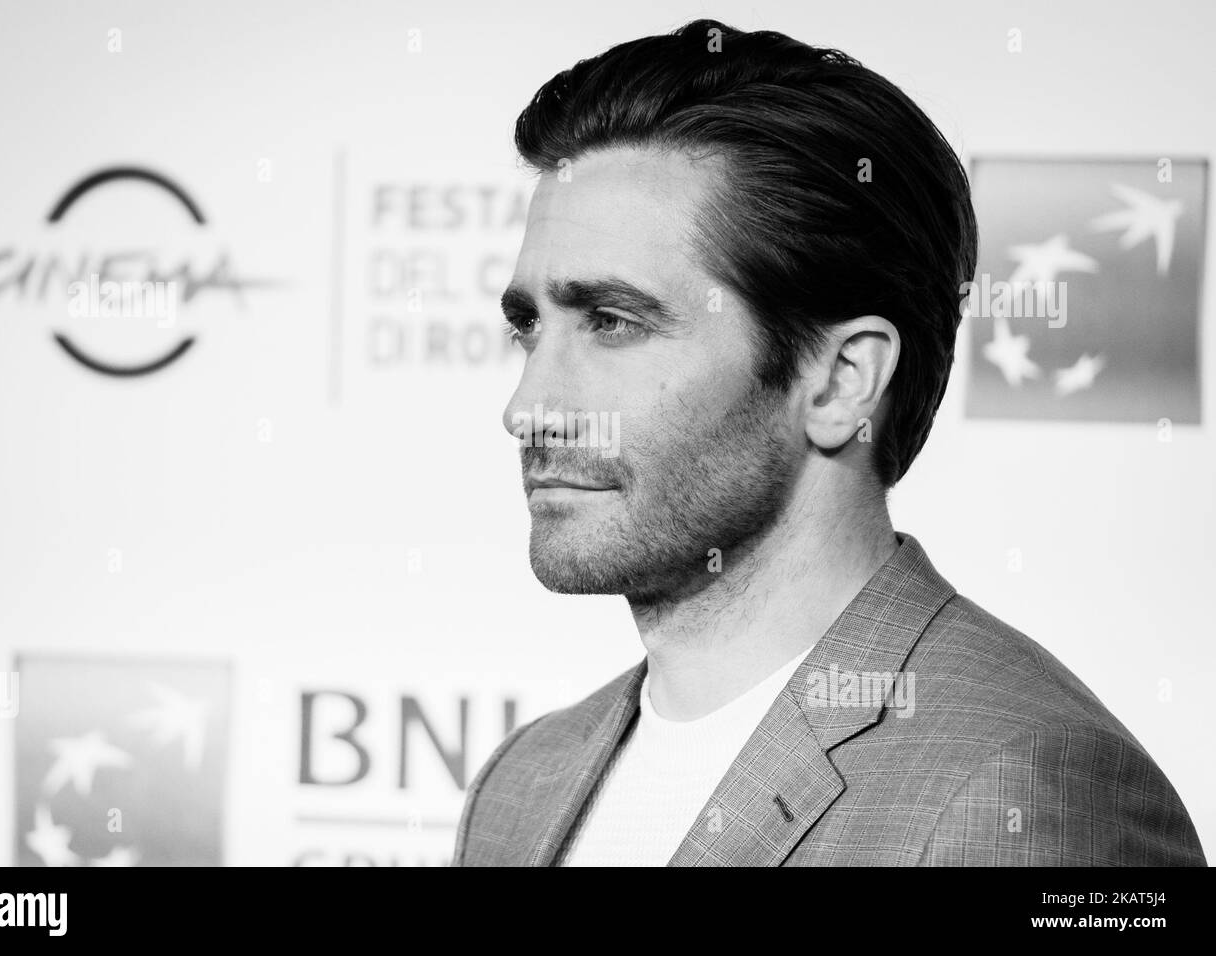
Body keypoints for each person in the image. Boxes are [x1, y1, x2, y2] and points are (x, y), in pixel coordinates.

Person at [452, 18, 1206, 866]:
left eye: (614, 323)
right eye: (529, 329)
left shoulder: (1026, 791)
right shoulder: (521, 785)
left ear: (843, 380)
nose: (529, 408)